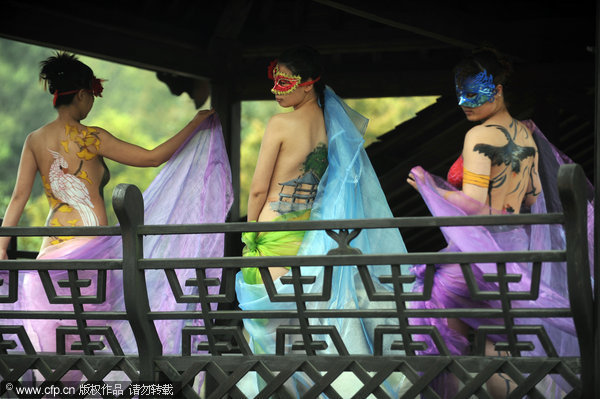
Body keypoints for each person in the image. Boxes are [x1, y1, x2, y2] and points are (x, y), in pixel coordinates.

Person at [0, 52, 233, 360]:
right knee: (93, 349)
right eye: (92, 96)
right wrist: (194, 124)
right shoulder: (91, 138)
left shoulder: (34, 140)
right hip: (93, 256)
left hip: (49, 259)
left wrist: (2, 248)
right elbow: (151, 157)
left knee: (56, 352)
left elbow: (18, 198)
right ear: (82, 94)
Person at [406, 48, 591, 398]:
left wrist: (431, 188)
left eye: (474, 92)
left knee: (432, 314)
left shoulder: (479, 136)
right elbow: (533, 198)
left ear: (499, 88)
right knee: (492, 339)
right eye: (458, 92)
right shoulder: (526, 134)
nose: (463, 101)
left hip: (480, 256)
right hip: (516, 253)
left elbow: (475, 207)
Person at [235, 46, 409, 397]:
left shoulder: (281, 123)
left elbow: (257, 190)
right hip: (311, 237)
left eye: (283, 82)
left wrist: (250, 232)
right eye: (274, 81)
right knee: (301, 330)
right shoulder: (331, 127)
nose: (274, 90)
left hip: (272, 233)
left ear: (308, 83)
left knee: (267, 331)